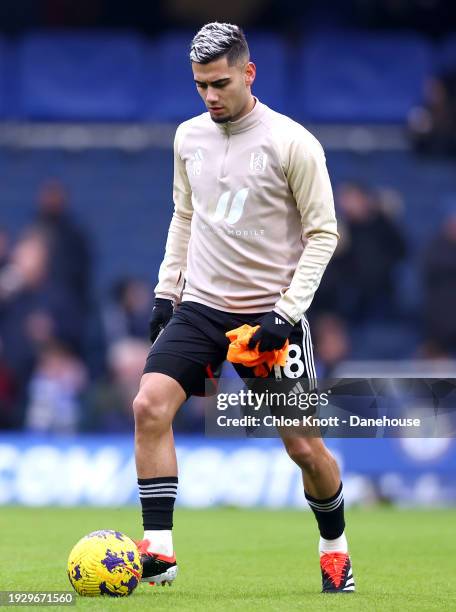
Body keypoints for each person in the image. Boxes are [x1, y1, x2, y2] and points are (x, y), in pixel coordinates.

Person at [133, 22, 354, 594]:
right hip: (201, 307)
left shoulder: (292, 143)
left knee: (305, 449)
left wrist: (287, 310)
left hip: (267, 316)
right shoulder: (187, 138)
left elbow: (323, 234)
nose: (209, 96)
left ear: (248, 73)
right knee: (149, 406)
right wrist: (166, 289)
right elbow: (185, 216)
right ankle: (159, 554)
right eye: (200, 85)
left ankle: (335, 548)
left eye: (220, 83)